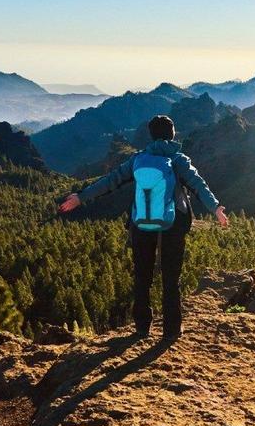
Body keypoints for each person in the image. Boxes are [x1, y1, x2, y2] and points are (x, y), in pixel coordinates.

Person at [57, 115, 228, 338]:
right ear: (172, 133)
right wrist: (215, 208)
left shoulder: (138, 159)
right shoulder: (178, 159)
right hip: (173, 224)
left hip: (141, 223)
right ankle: (171, 330)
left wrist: (81, 197)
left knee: (142, 276)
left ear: (151, 134)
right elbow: (198, 184)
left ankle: (142, 327)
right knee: (170, 278)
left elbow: (110, 180)